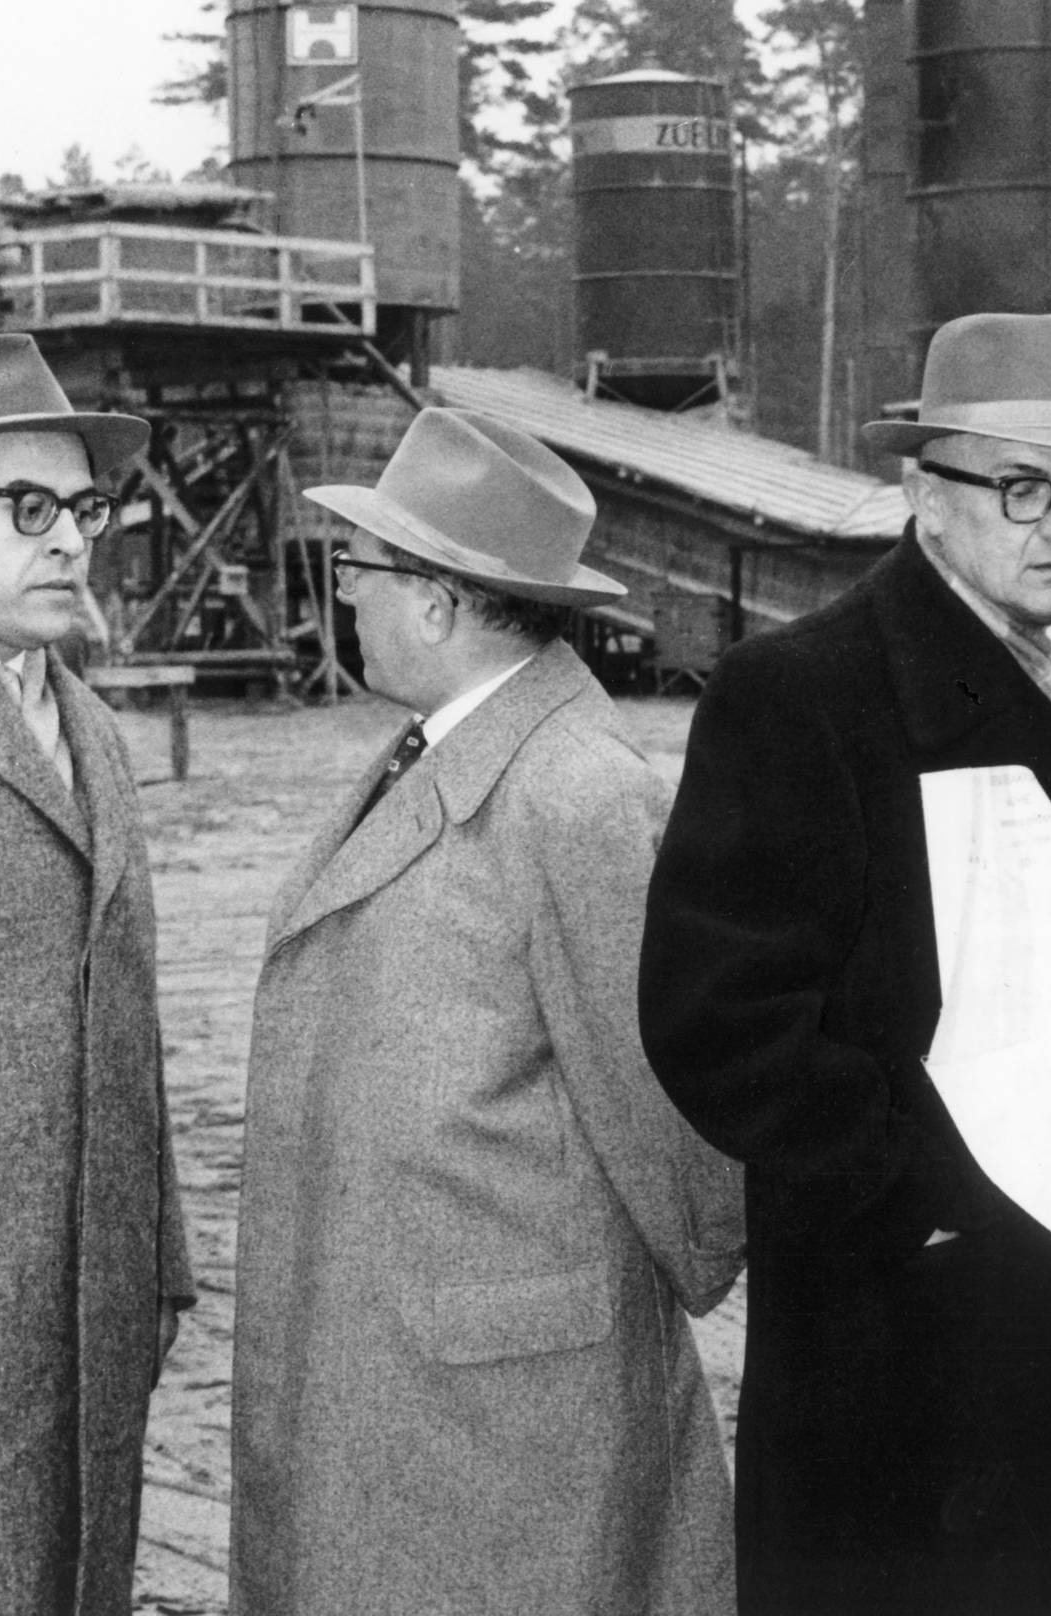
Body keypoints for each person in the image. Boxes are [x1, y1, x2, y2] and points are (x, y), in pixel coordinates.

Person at [639, 311, 1051, 1616]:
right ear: (924, 493)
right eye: (1021, 487)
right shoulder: (801, 692)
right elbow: (716, 1021)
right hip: (911, 1330)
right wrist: (930, 1187)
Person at [228, 408, 743, 1616]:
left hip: (504, 1412)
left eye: (358, 571)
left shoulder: (575, 793)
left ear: (439, 603)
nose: (342, 595)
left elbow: (672, 1124)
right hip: (406, 1382)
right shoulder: (440, 750)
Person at [0, 332, 191, 1615]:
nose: (73, 539)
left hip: (90, 1308)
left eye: (86, 506)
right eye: (28, 509)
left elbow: (122, 1020)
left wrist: (159, 1253)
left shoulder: (93, 729)